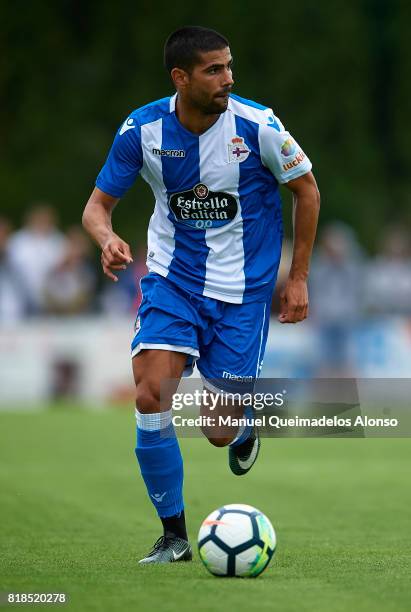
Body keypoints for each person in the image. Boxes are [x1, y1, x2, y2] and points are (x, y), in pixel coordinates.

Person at [82, 26, 320, 564]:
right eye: (214, 70)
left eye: (229, 66)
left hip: (242, 294)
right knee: (150, 395)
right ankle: (174, 537)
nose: (228, 79)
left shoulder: (258, 126)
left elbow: (307, 190)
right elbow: (96, 208)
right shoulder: (141, 130)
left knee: (217, 430)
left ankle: (241, 430)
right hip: (172, 282)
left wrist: (299, 277)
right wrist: (107, 237)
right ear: (180, 77)